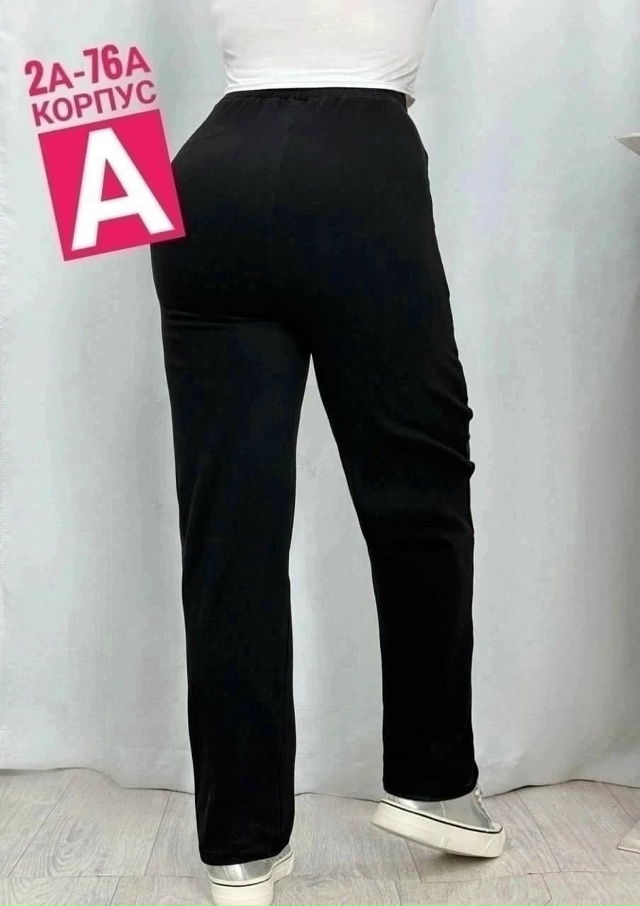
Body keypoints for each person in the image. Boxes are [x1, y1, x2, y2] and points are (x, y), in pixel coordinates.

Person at [149, 2, 506, 904]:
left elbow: (73, 38)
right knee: (420, 486)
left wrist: (115, 198)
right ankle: (433, 780)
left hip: (205, 180)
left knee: (226, 528)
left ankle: (239, 847)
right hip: (361, 169)